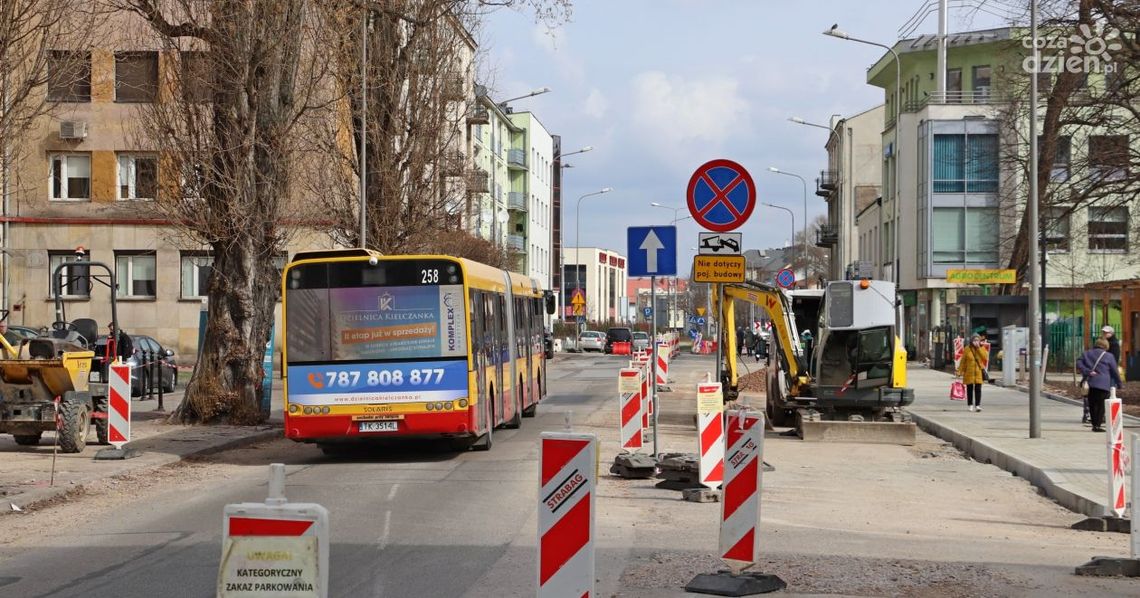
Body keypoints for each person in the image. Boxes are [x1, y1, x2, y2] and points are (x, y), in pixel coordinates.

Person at [1078, 338, 1122, 432]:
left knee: (1092, 404)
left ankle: (1094, 425)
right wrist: (1119, 383)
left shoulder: (1087, 353)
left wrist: (1087, 371)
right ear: (1106, 346)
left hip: (1090, 383)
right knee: (1101, 405)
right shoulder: (1109, 356)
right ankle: (1097, 425)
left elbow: (1079, 363)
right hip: (1103, 384)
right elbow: (1114, 371)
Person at [957, 334, 988, 412]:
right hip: (969, 372)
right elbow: (963, 361)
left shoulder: (982, 348)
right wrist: (959, 371)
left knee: (978, 389)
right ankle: (970, 405)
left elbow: (985, 357)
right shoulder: (967, 349)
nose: (976, 342)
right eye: (974, 340)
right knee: (969, 389)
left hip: (978, 372)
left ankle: (977, 405)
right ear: (971, 341)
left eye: (977, 340)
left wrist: (978, 348)